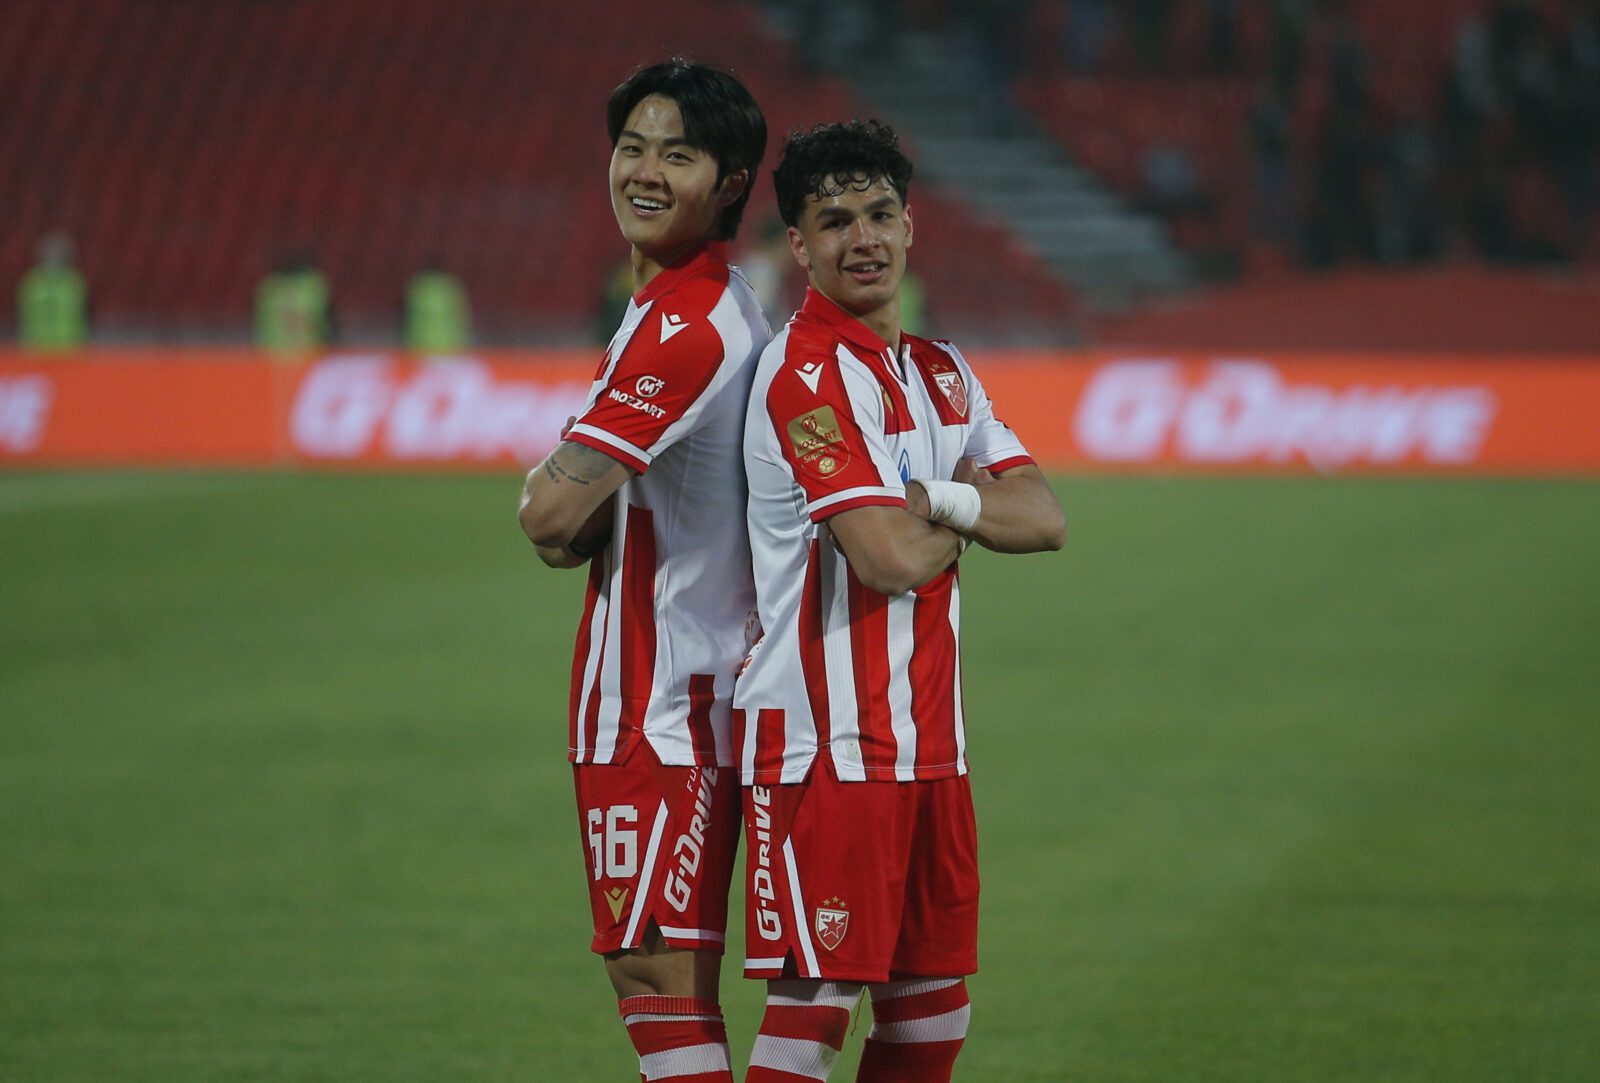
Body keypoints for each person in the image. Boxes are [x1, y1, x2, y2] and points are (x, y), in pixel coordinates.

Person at [733, 120, 1065, 1082]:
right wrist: (969, 507)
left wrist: (938, 501)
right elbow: (885, 559)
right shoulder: (803, 375)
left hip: (930, 746)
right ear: (799, 246)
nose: (864, 238)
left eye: (880, 214)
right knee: (814, 1013)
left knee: (932, 1018)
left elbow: (1045, 517)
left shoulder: (942, 371)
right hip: (826, 747)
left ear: (911, 225)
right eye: (835, 221)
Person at [515, 59, 769, 1083]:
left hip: (657, 700)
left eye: (679, 154)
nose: (646, 171)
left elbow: (550, 515)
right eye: (632, 147)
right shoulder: (704, 307)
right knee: (669, 974)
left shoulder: (683, 326)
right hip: (701, 685)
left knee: (657, 977)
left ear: (732, 182)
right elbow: (565, 529)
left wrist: (551, 500)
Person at [17, 233, 88, 351]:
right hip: (35, 349)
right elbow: (22, 317)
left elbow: (84, 317)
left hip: (68, 349)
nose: (53, 257)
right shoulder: (31, 283)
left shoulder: (74, 282)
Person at [403, 260, 471, 352]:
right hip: (450, 345)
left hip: (420, 344)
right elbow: (462, 316)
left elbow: (408, 316)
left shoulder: (419, 285)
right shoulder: (451, 286)